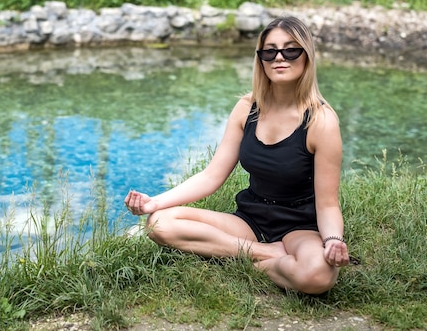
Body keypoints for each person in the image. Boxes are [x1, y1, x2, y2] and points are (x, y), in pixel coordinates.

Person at [124, 16, 350, 294]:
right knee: (159, 223)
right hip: (249, 220)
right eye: (270, 51)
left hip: (299, 227)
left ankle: (238, 256)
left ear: (307, 56)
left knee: (318, 277)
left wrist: (332, 240)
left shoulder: (321, 121)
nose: (279, 57)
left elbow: (327, 204)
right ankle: (266, 255)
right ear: (260, 59)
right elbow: (211, 175)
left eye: (291, 49)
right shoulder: (247, 108)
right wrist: (152, 203)